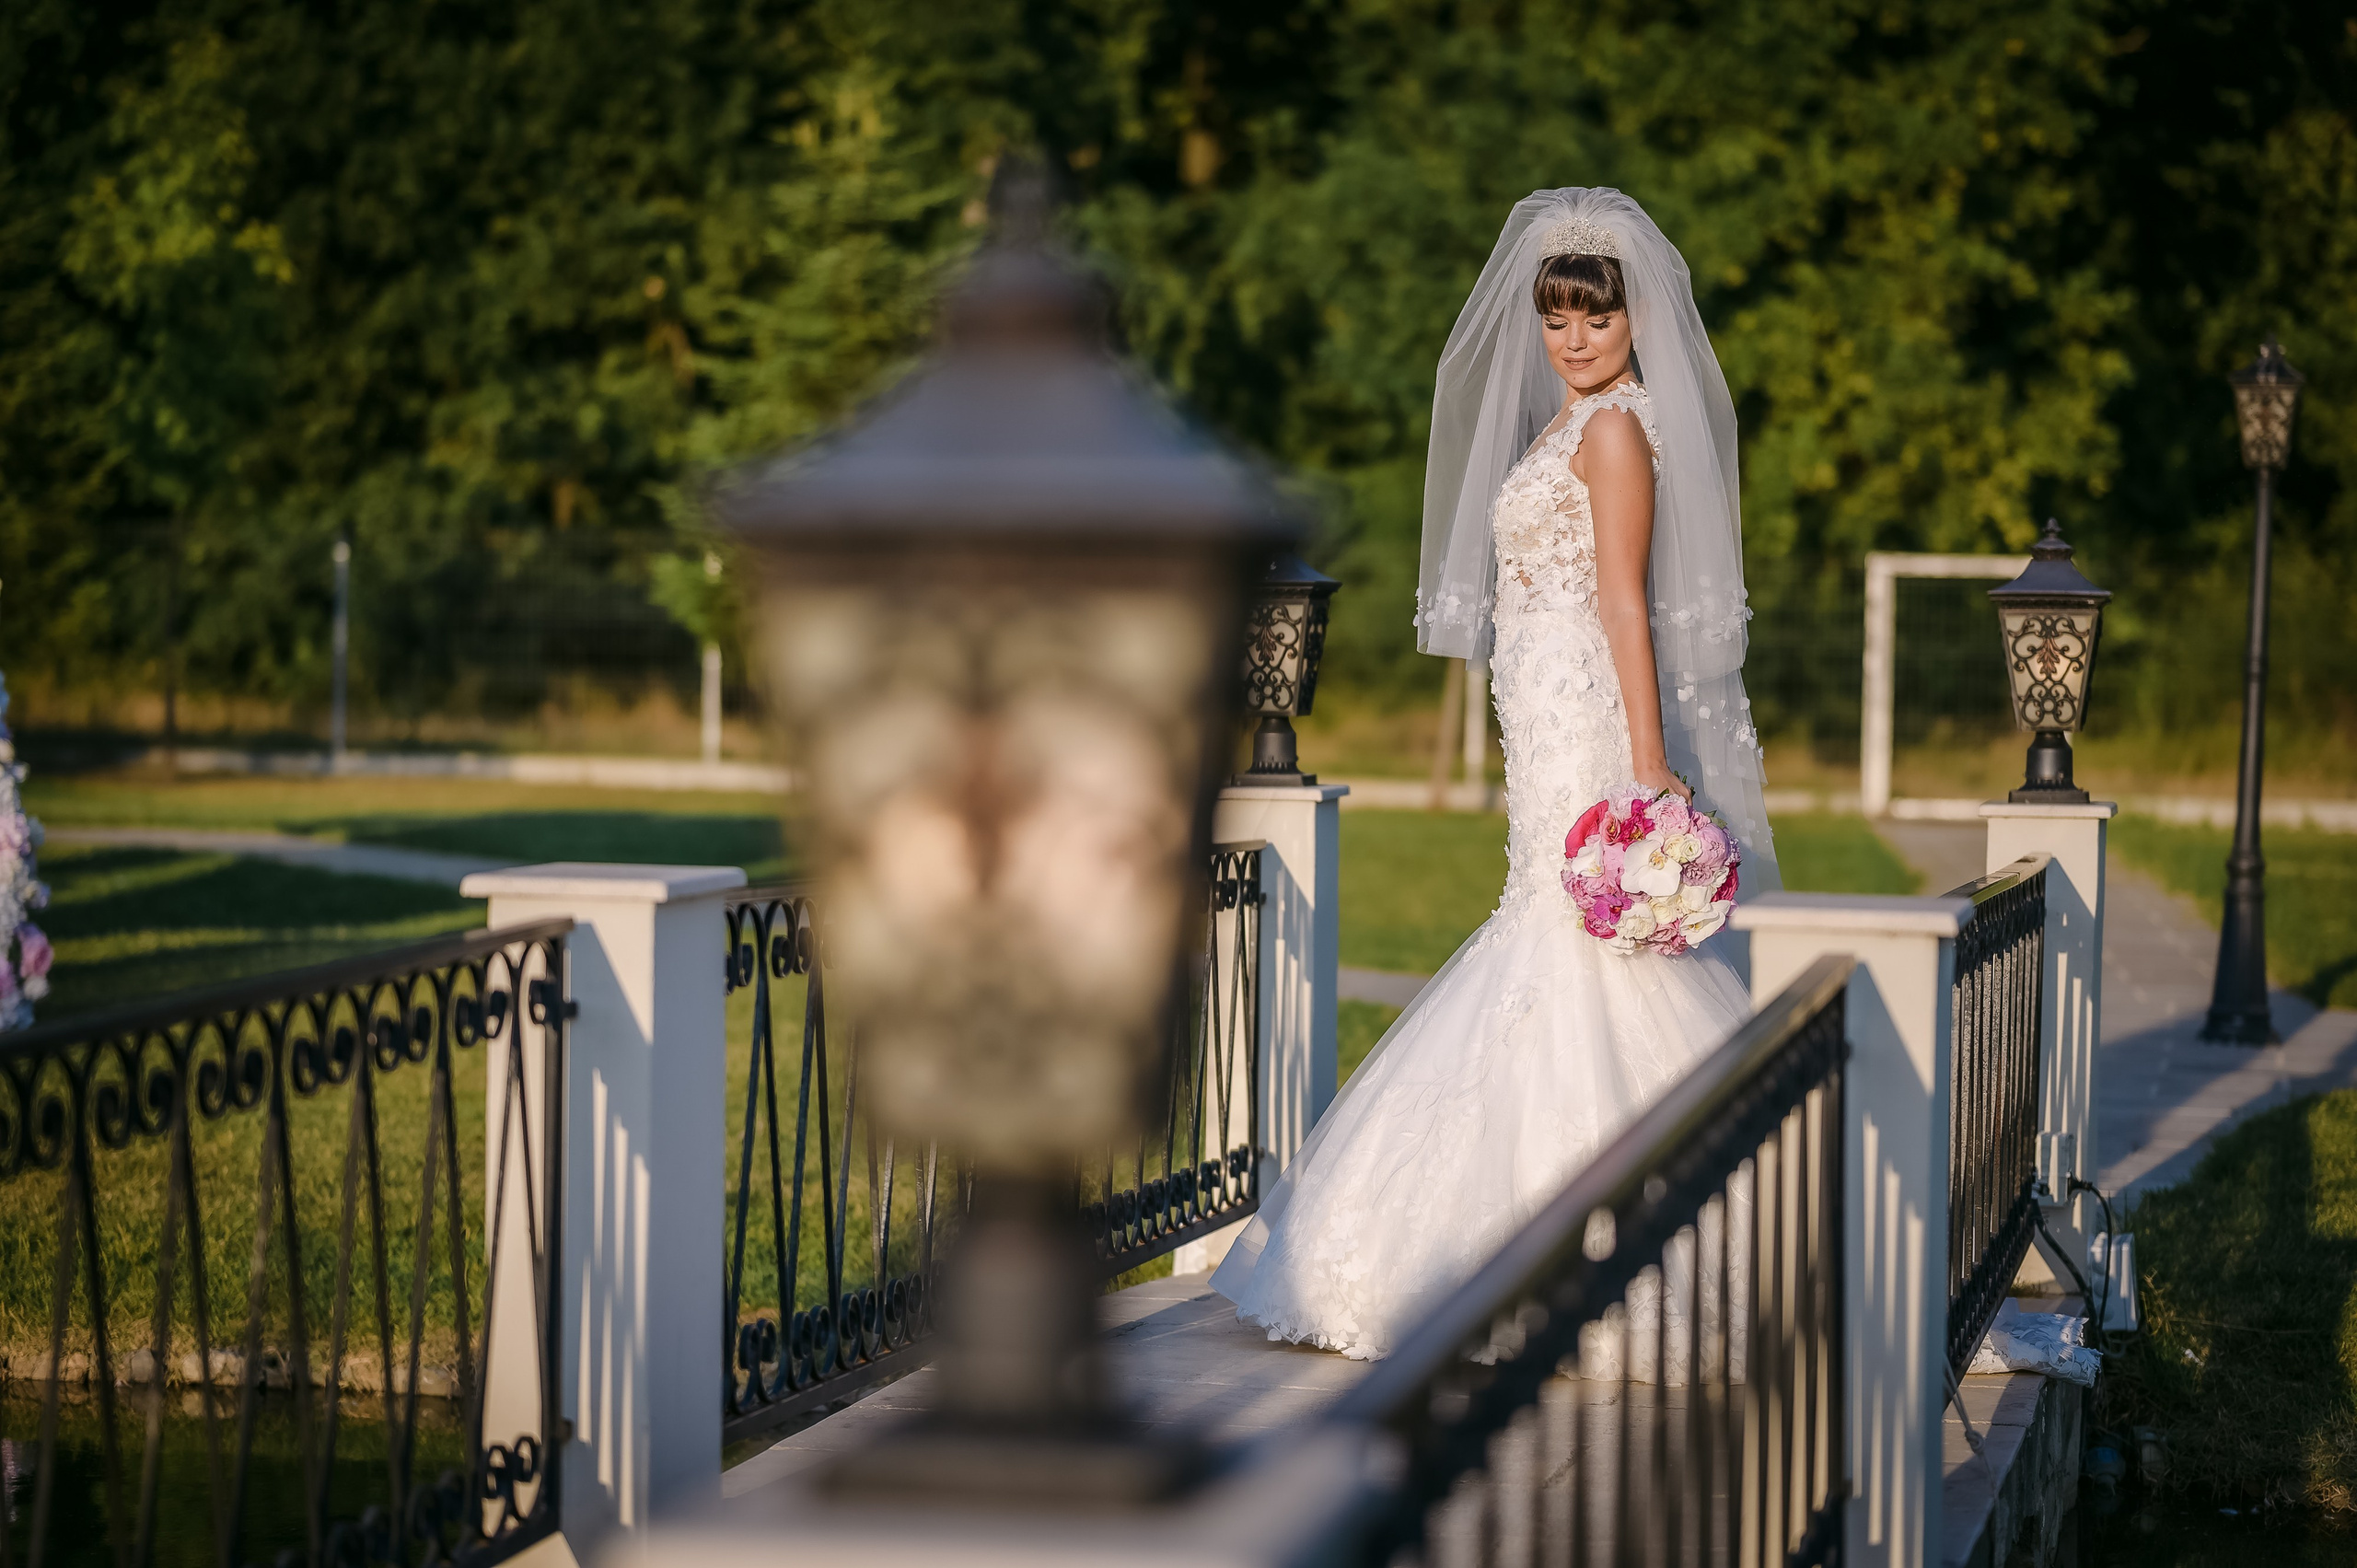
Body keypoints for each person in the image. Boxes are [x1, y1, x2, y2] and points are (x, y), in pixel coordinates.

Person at [1210, 188, 1780, 1361]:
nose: (1573, 338)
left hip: (1589, 715)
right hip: (1543, 713)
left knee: (1585, 942)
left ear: (1637, 324)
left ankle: (1621, 1248)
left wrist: (1649, 762)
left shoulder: (1617, 431)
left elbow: (1626, 598)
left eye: (1596, 318)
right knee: (1548, 923)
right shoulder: (1559, 427)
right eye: (1556, 319)